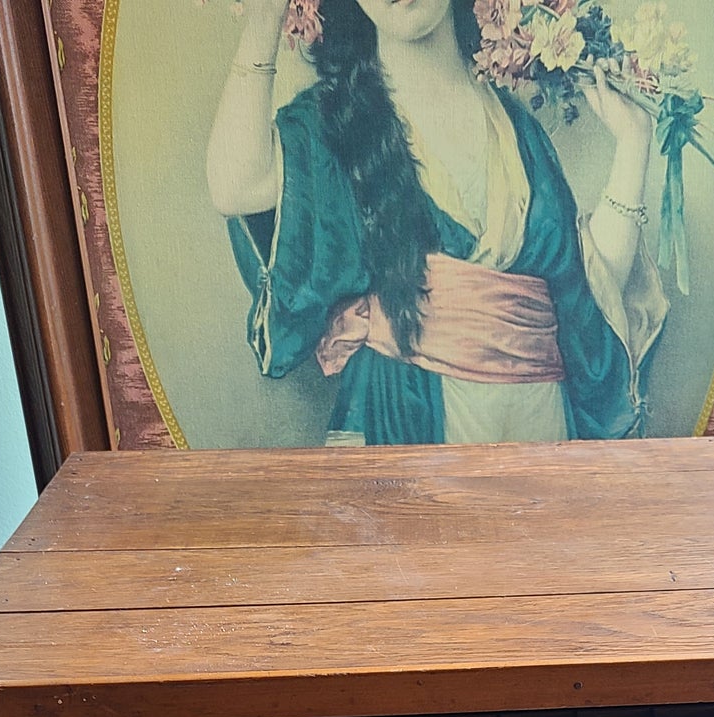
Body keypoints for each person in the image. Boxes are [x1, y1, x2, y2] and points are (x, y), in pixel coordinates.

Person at [207, 0, 668, 443]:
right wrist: (266, 14)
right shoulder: (335, 122)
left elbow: (587, 304)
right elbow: (235, 187)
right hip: (405, 419)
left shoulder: (520, 132)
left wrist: (633, 145)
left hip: (538, 436)